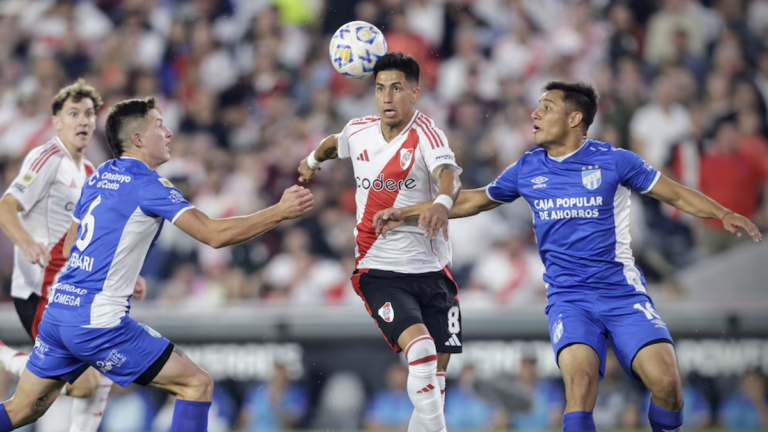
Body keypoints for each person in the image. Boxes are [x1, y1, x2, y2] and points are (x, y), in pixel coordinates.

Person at [373, 81, 763, 432]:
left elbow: (674, 193)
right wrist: (406, 212)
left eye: (546, 107)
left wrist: (722, 213)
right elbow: (476, 200)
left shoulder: (615, 161)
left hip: (621, 294)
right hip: (569, 300)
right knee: (580, 384)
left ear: (575, 119)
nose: (535, 114)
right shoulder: (528, 167)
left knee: (668, 386)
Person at [0, 96, 314, 432]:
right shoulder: (149, 186)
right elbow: (214, 235)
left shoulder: (100, 174)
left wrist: (118, 270)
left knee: (22, 410)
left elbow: (70, 245)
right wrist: (279, 211)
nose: (169, 133)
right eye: (159, 126)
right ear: (137, 139)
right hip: (98, 322)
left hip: (59, 312)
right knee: (196, 385)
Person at [297, 52, 462, 432]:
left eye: (397, 88)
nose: (387, 97)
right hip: (379, 269)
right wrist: (312, 160)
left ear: (415, 93)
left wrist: (441, 203)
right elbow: (332, 144)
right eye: (380, 88)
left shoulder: (428, 134)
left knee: (435, 382)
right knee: (421, 350)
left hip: (433, 270)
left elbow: (449, 175)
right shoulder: (359, 131)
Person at [0, 79, 118, 432]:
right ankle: (5, 356)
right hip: (40, 291)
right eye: (73, 113)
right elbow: (6, 206)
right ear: (56, 121)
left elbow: (89, 236)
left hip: (70, 294)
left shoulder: (90, 172)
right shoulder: (47, 158)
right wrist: (26, 242)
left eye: (89, 114)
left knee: (93, 381)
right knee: (83, 383)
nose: (83, 120)